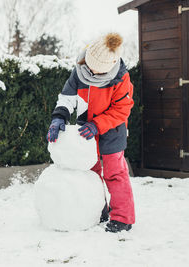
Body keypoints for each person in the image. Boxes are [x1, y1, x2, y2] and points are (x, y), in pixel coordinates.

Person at [47, 33, 135, 233]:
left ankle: (122, 218)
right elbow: (67, 97)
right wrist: (58, 117)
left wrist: (98, 124)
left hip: (112, 129)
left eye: (98, 70)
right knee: (91, 174)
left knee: (115, 174)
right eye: (90, 66)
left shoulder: (121, 78)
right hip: (86, 131)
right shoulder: (79, 71)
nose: (93, 72)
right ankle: (97, 210)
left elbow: (122, 110)